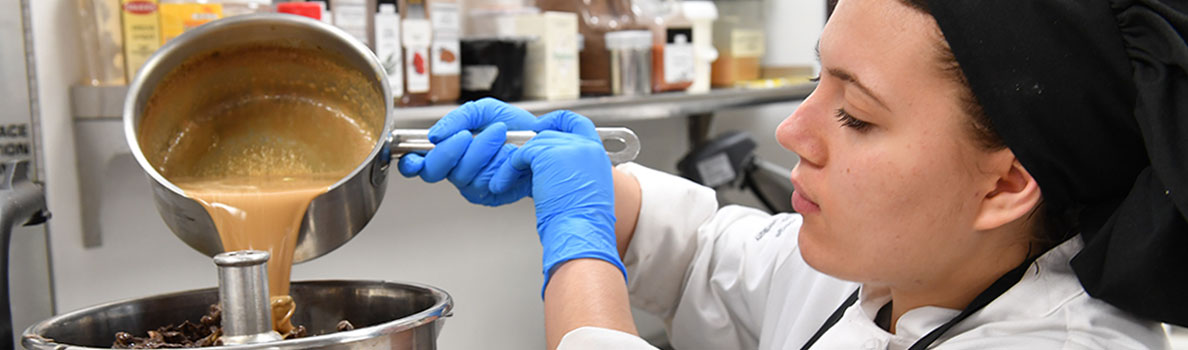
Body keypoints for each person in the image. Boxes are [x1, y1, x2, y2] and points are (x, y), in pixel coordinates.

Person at [398, 0, 1188, 348]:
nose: (791, 130)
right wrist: (576, 174)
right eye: (818, 81)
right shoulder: (899, 271)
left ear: (1005, 185)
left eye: (857, 115)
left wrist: (576, 242)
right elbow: (713, 251)